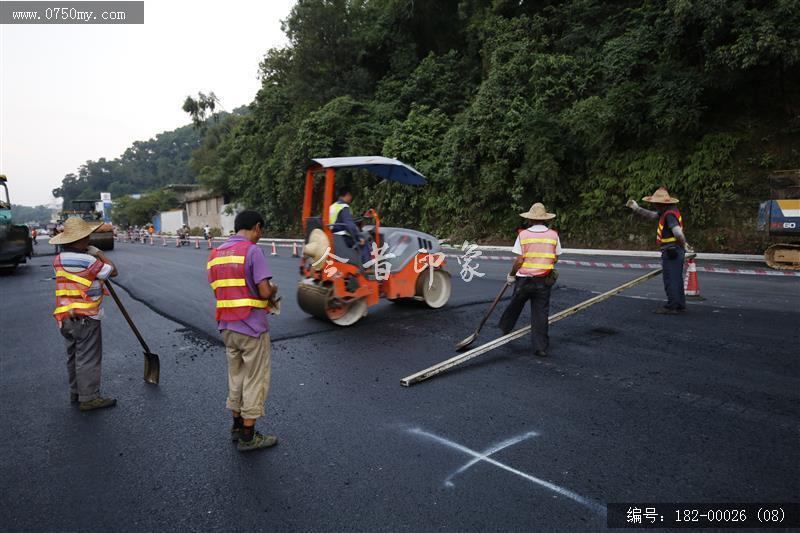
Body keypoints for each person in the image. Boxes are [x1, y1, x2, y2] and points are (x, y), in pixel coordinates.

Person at [207, 210, 279, 452]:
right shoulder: (252, 250)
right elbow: (264, 291)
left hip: (226, 327)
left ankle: (237, 426)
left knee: (235, 377)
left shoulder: (215, 254)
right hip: (251, 327)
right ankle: (249, 436)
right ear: (257, 227)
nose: (260, 236)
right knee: (254, 379)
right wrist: (273, 288)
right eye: (261, 231)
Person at [49, 218, 118, 411]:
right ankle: (89, 398)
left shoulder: (58, 260)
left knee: (74, 356)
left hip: (65, 316)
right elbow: (113, 271)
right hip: (86, 316)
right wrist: (98, 253)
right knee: (88, 356)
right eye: (87, 235)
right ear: (82, 238)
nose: (89, 237)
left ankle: (76, 392)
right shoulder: (88, 260)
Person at [498, 202, 562, 357]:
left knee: (515, 304)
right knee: (540, 313)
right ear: (545, 219)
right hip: (544, 281)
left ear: (530, 219)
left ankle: (505, 326)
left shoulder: (523, 235)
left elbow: (519, 260)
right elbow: (556, 257)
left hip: (524, 280)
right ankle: (540, 347)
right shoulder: (553, 235)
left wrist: (512, 275)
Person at [627, 187, 694, 314]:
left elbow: (677, 232)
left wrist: (685, 244)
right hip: (675, 250)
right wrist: (636, 208)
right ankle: (679, 304)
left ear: (661, 204)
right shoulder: (669, 211)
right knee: (676, 278)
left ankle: (672, 306)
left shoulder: (669, 215)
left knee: (670, 279)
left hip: (672, 251)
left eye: (656, 204)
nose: (655, 206)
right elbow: (651, 215)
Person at [329, 186, 370, 265]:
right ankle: (367, 266)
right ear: (347, 195)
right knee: (365, 239)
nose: (351, 198)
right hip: (343, 237)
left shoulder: (332, 206)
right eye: (350, 196)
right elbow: (350, 226)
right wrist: (359, 238)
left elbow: (338, 220)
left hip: (332, 237)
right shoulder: (344, 207)